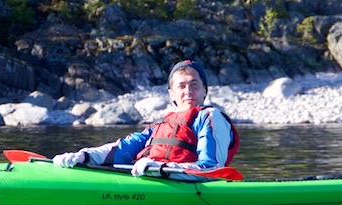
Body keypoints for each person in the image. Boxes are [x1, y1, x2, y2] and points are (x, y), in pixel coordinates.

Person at [53, 60, 239, 177]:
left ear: (205, 90)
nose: (188, 91)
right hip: (151, 179)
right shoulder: (162, 124)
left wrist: (160, 169)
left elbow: (211, 169)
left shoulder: (211, 117)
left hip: (182, 189)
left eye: (194, 85)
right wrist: (85, 155)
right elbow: (122, 148)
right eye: (181, 86)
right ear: (171, 94)